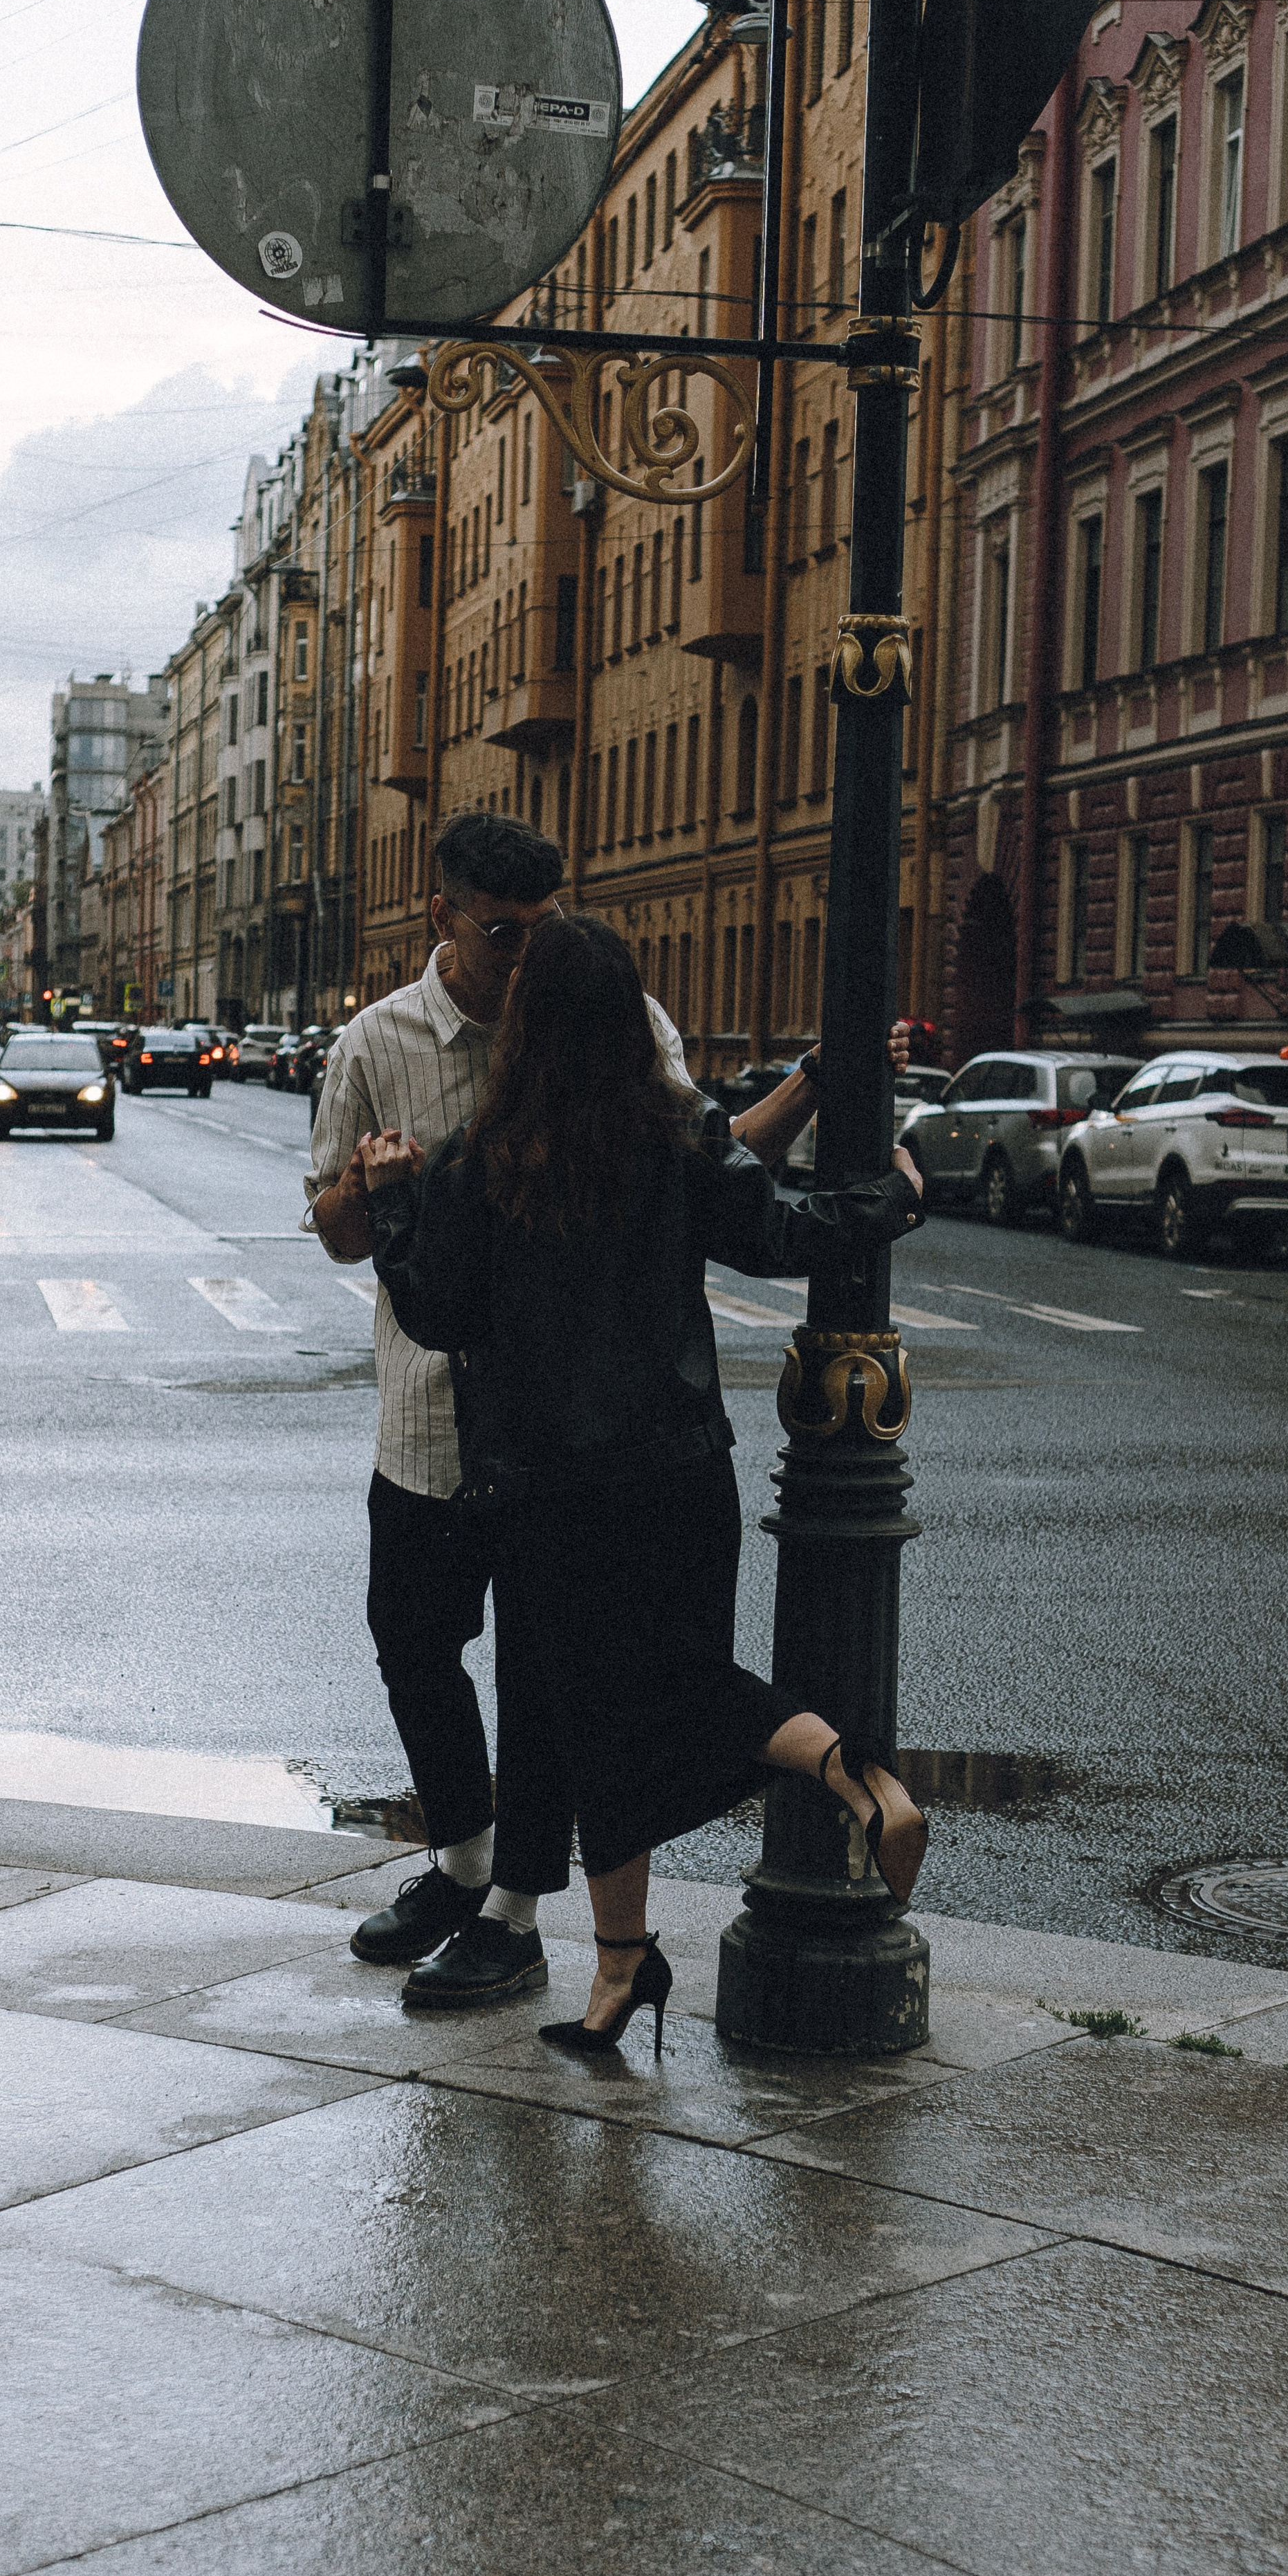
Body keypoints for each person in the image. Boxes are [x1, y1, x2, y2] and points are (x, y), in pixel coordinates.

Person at [304, 806, 905, 2009]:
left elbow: (698, 1161)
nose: (522, 955)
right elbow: (333, 1227)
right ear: (443, 916)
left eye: (540, 931)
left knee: (549, 1688)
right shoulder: (377, 1043)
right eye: (499, 932)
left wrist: (799, 1095)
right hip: (439, 1430)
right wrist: (377, 1197)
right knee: (417, 1647)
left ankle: (518, 1913)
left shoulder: (620, 1028)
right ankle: (475, 1872)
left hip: (543, 1450)